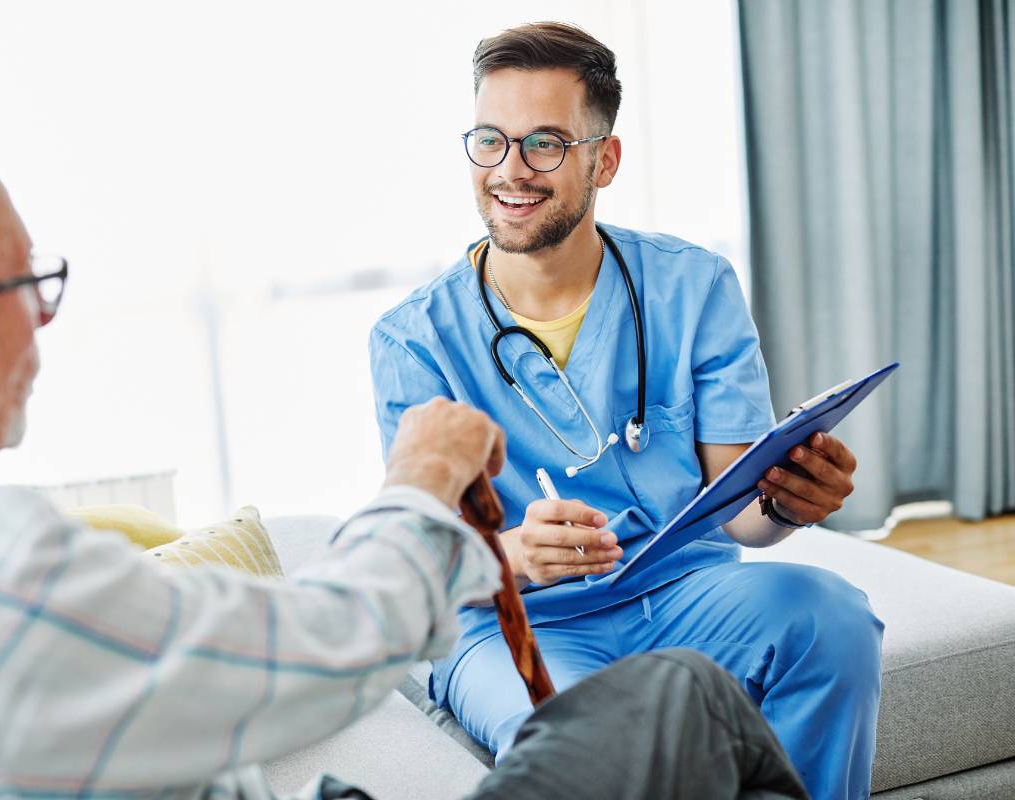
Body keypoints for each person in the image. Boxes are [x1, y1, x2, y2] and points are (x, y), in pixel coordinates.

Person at [0, 102, 808, 798]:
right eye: (21, 287)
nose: (42, 320)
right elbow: (332, 647)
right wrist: (421, 477)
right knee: (684, 700)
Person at [369, 22, 883, 800]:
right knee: (593, 739)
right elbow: (421, 563)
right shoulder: (414, 339)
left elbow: (742, 514)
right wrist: (517, 554)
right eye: (490, 141)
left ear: (604, 160)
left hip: (681, 591)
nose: (510, 171)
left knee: (832, 620)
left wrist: (787, 501)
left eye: (545, 144)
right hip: (517, 622)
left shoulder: (694, 287)